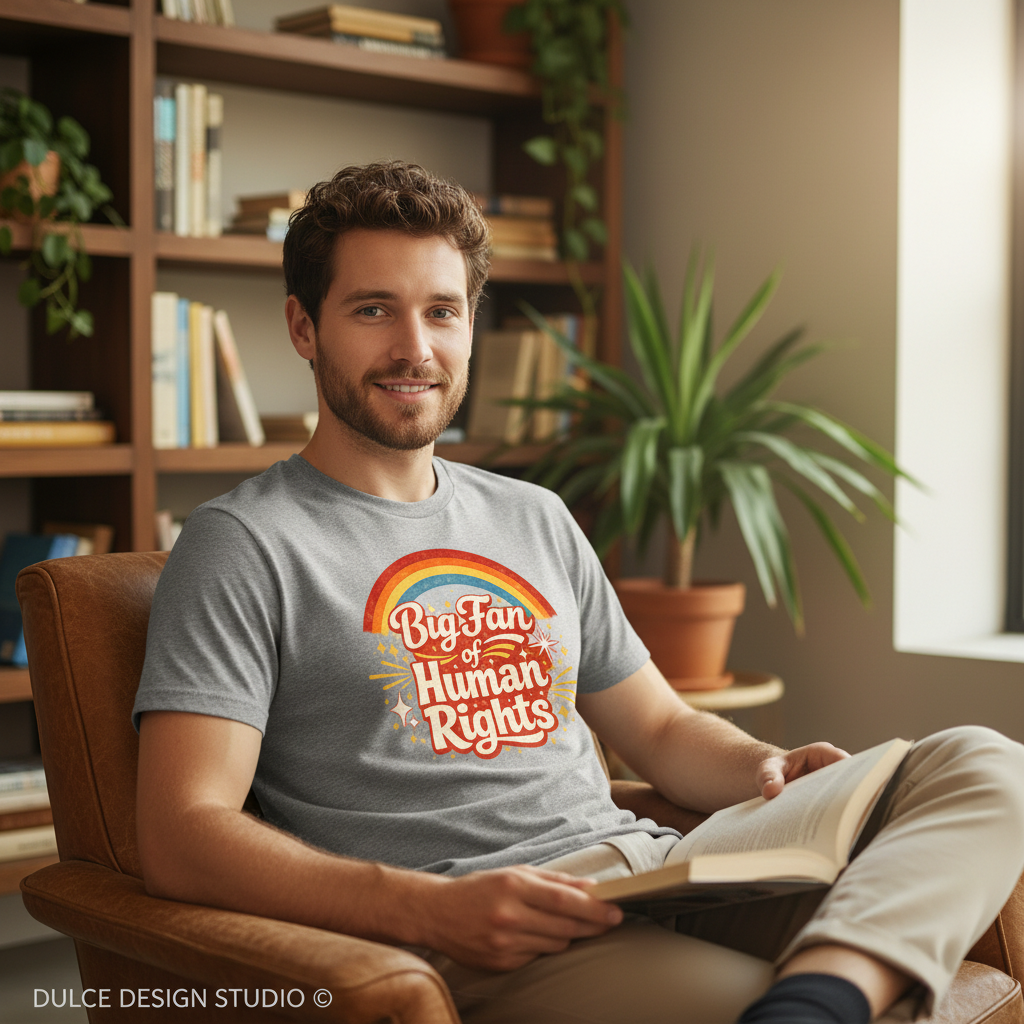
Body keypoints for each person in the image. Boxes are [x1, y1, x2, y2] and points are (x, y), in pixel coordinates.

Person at [133, 161, 1024, 1024]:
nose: (416, 347)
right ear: (303, 326)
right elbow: (181, 830)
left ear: (471, 323)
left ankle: (817, 997)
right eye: (374, 310)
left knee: (987, 763)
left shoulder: (534, 516)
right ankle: (828, 994)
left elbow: (664, 730)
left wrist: (765, 768)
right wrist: (425, 911)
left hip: (663, 873)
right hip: (495, 936)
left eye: (443, 311)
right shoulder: (242, 544)